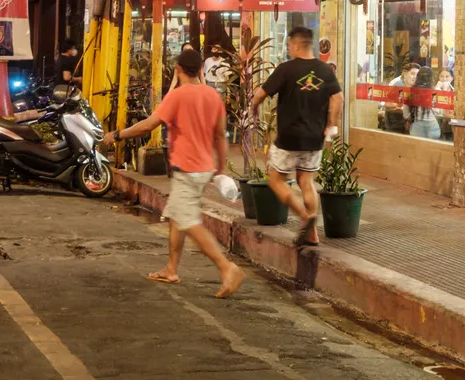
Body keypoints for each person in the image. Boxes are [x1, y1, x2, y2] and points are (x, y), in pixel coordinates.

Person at [100, 50, 244, 297]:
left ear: (178, 69)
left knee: (188, 221)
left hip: (188, 168)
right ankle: (171, 268)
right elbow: (221, 135)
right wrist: (221, 166)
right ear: (200, 69)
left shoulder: (177, 96)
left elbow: (148, 125)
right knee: (178, 217)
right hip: (204, 167)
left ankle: (226, 267)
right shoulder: (212, 95)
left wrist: (117, 135)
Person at [251, 27, 343, 248]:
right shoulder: (325, 70)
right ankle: (312, 235)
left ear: (296, 44)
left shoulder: (286, 69)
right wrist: (330, 125)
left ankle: (304, 215)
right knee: (306, 182)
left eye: (289, 45)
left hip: (289, 137)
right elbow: (337, 98)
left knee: (276, 180)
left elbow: (260, 94)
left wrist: (253, 109)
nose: (289, 48)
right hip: (314, 137)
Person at [407, 67, 441, 140]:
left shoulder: (412, 91)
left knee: (417, 150)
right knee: (432, 150)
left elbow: (406, 114)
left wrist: (411, 117)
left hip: (417, 126)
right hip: (433, 126)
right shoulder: (435, 91)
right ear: (432, 78)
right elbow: (437, 111)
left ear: (418, 77)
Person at [385, 62, 420, 132]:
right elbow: (387, 104)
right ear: (405, 74)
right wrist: (400, 105)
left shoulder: (417, 88)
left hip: (411, 123)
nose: (415, 77)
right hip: (396, 123)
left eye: (417, 75)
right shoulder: (398, 85)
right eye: (412, 74)